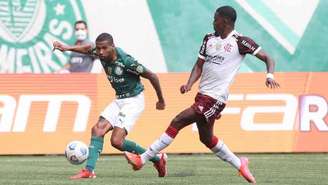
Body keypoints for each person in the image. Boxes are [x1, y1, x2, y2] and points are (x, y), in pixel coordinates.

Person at [124, 5, 280, 184]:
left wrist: (269, 76)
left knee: (178, 121)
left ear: (225, 21)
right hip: (202, 95)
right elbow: (199, 65)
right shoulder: (209, 39)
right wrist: (189, 83)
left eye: (216, 18)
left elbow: (269, 58)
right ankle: (240, 163)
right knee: (206, 138)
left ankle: (143, 159)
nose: (213, 21)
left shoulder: (240, 41)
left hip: (216, 97)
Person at [53, 32, 167, 179]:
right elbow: (88, 48)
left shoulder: (126, 61)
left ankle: (157, 159)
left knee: (116, 142)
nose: (100, 52)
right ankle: (89, 171)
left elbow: (152, 75)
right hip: (119, 99)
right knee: (97, 129)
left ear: (112, 47)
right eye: (99, 48)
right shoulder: (100, 52)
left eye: (104, 48)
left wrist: (161, 100)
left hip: (133, 101)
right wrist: (66, 47)